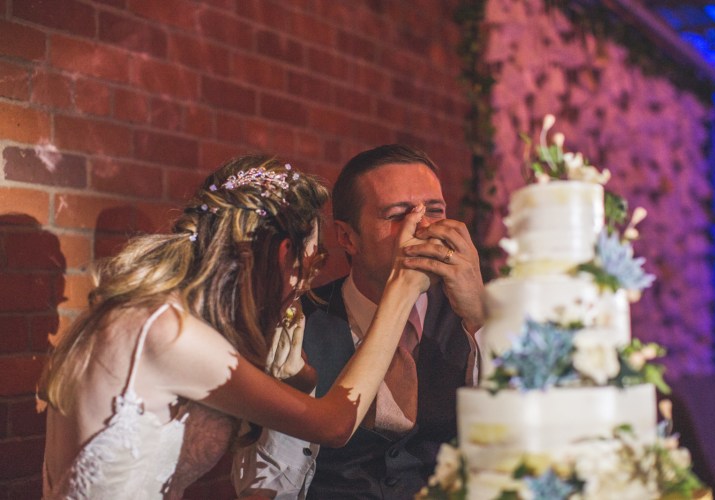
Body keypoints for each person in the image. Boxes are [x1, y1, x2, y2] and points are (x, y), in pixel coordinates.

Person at [37, 154, 432, 499]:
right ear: (285, 254)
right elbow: (334, 425)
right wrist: (402, 289)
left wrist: (301, 377)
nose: (303, 287)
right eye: (311, 264)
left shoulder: (168, 319)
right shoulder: (164, 331)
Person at [234, 145, 485, 499]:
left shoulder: (481, 317)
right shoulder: (296, 322)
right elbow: (264, 489)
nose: (423, 227)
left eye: (435, 210)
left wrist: (482, 320)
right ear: (348, 238)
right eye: (398, 215)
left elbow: (530, 443)